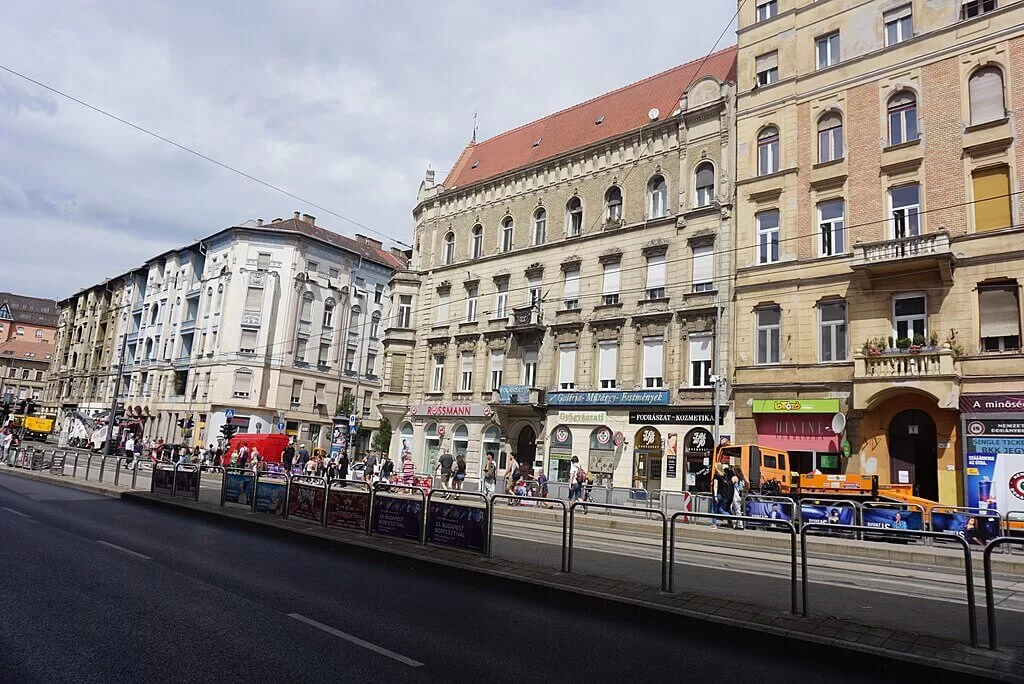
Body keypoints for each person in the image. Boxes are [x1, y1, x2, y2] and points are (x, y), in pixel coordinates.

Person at [711, 463, 733, 528]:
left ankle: (714, 524)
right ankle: (732, 518)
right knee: (721, 509)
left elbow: (715, 486)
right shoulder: (723, 475)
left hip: (717, 494)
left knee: (713, 510)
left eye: (715, 467)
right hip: (722, 495)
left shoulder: (716, 475)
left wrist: (715, 496)